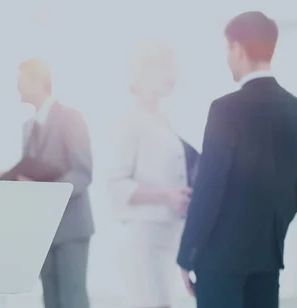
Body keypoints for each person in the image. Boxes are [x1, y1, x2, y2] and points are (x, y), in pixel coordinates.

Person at [177, 11, 297, 308]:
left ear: (238, 49)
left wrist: (187, 253)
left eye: (227, 49)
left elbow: (210, 187)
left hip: (219, 260)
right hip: (268, 256)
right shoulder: (294, 109)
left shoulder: (225, 109)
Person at [107, 43, 198, 308]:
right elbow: (116, 184)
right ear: (143, 72)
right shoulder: (128, 120)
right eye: (167, 67)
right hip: (144, 238)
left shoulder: (164, 120)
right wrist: (168, 196)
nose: (173, 75)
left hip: (168, 236)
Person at [2, 58, 94, 308]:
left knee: (73, 299)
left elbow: (83, 172)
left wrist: (49, 192)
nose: (17, 88)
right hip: (43, 229)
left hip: (72, 227)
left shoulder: (70, 117)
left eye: (20, 82)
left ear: (37, 82)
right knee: (51, 300)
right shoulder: (27, 127)